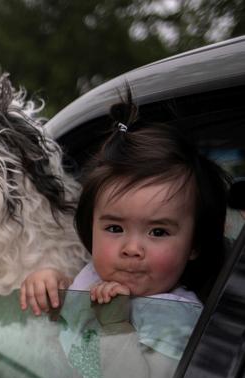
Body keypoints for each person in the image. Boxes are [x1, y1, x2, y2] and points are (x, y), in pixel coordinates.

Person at [20, 93, 229, 315]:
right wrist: (53, 287)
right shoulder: (89, 277)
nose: (131, 249)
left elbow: (127, 351)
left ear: (194, 244)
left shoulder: (176, 315)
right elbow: (66, 332)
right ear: (90, 226)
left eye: (158, 232)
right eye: (114, 228)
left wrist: (116, 324)